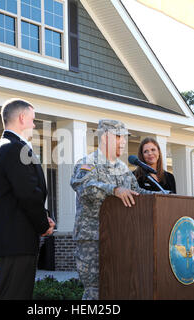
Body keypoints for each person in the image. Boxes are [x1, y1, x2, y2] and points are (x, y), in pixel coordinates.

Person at [70, 119, 152, 300]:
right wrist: (114, 190)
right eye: (119, 137)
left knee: (118, 289)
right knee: (95, 292)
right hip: (92, 238)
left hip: (120, 239)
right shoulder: (88, 163)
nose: (123, 141)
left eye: (124, 137)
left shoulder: (123, 169)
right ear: (106, 137)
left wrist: (161, 197)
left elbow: (136, 192)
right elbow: (84, 188)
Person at [0, 98, 55, 300]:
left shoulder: (8, 146)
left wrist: (44, 217)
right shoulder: (14, 148)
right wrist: (43, 224)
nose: (34, 125)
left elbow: (23, 193)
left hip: (14, 238)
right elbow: (28, 194)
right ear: (22, 118)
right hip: (16, 239)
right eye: (33, 120)